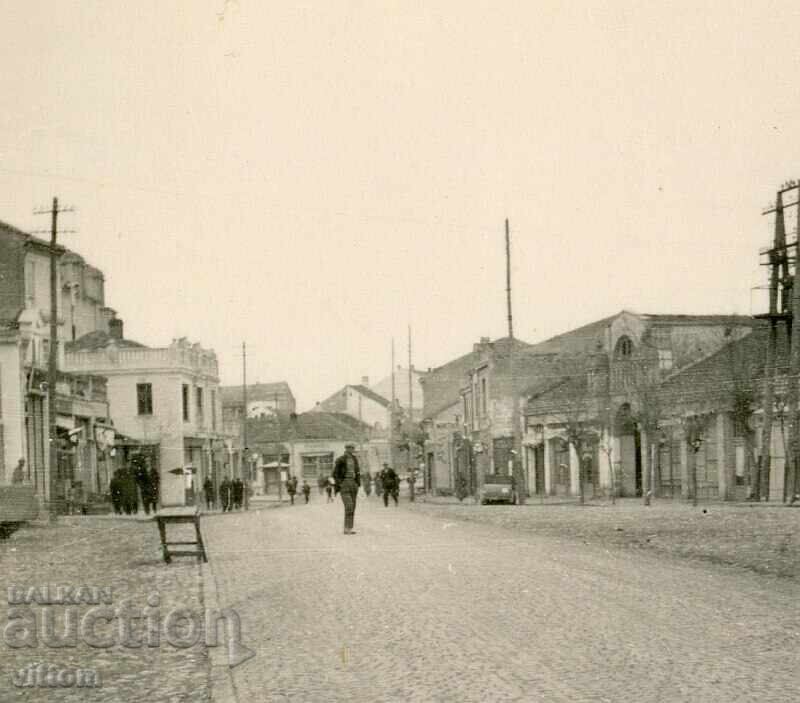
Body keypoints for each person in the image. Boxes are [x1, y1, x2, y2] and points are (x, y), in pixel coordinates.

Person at [333, 443, 361, 534]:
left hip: (353, 484)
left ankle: (349, 528)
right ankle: (346, 528)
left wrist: (357, 483)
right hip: (345, 484)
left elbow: (357, 472)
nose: (352, 449)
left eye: (353, 448)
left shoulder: (355, 459)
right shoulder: (340, 459)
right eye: (350, 448)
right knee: (349, 506)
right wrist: (340, 484)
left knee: (353, 507)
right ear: (346, 449)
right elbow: (335, 473)